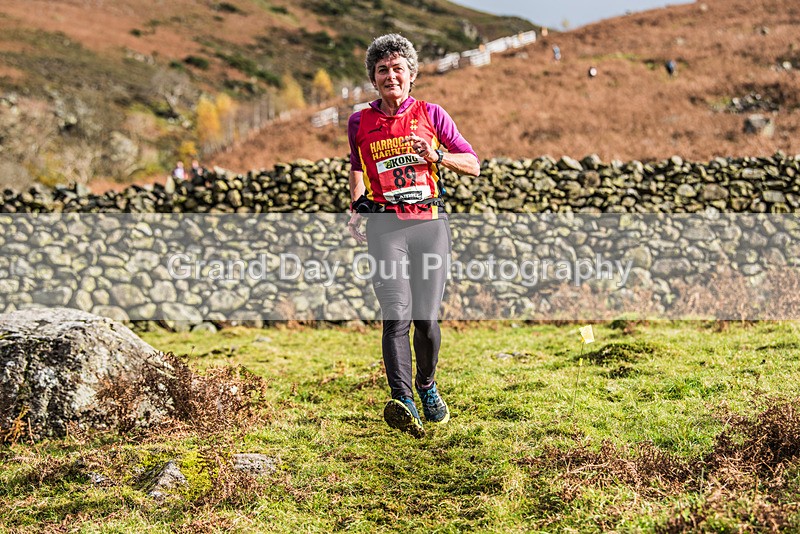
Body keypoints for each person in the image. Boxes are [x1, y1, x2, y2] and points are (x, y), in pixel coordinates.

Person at [346, 33, 480, 438]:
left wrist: (436, 155)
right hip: (385, 228)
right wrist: (355, 206)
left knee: (426, 320)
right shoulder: (359, 121)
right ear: (374, 78)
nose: (390, 76)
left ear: (411, 75)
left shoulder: (432, 114)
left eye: (397, 68)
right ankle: (403, 400)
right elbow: (356, 165)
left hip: (429, 227)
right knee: (396, 314)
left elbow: (473, 163)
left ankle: (426, 385)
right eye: (382, 69)